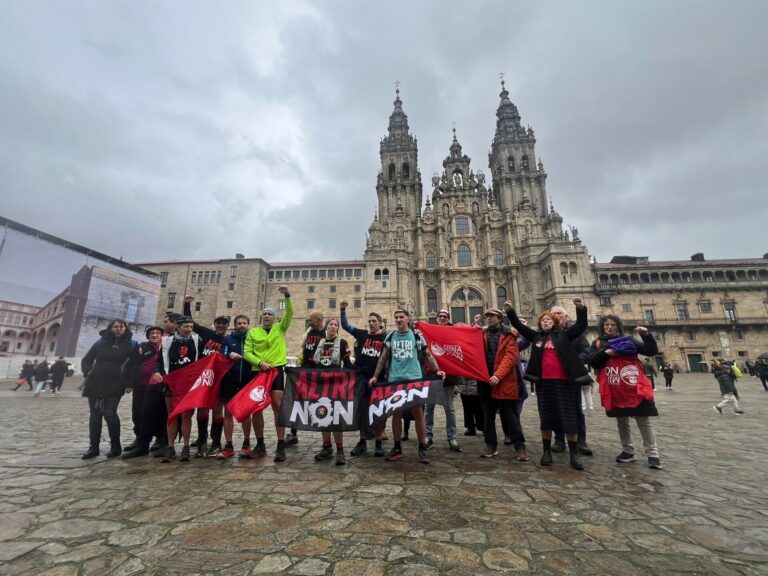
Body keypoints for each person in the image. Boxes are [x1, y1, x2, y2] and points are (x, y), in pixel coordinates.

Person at [505, 298, 590, 471]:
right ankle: (546, 452)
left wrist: (581, 309)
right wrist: (510, 311)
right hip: (544, 384)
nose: (545, 321)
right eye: (543, 320)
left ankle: (574, 454)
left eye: (549, 319)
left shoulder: (565, 336)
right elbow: (520, 328)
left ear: (556, 323)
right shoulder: (536, 337)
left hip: (565, 383)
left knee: (569, 417)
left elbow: (581, 326)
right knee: (546, 418)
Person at [368, 308, 445, 464]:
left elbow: (428, 354)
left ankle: (422, 447)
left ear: (408, 319)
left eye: (401, 317)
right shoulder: (390, 337)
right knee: (397, 413)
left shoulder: (416, 336)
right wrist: (375, 376)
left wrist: (437, 370)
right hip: (395, 379)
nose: (398, 319)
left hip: (414, 379)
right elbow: (383, 358)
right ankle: (397, 447)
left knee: (418, 412)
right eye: (396, 317)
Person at [588, 315, 663, 470]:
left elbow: (650, 350)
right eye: (606, 325)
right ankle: (628, 451)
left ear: (618, 326)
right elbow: (592, 361)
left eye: (613, 325)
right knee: (621, 420)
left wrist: (646, 335)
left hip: (633, 384)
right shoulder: (597, 343)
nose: (609, 327)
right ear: (602, 327)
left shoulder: (629, 340)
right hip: (614, 385)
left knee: (643, 419)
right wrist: (606, 353)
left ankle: (653, 454)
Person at [243, 286, 293, 462]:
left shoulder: (280, 328)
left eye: (269, 314)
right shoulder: (252, 332)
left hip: (276, 370)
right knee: (256, 408)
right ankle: (260, 444)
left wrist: (287, 296)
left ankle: (280, 445)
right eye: (264, 314)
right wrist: (259, 363)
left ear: (274, 317)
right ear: (261, 317)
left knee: (277, 406)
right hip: (258, 372)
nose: (266, 316)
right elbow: (247, 352)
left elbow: (290, 314)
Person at [80, 319, 139, 459]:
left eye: (121, 326)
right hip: (95, 382)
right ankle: (93, 447)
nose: (119, 329)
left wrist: (130, 382)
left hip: (115, 383)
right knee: (95, 416)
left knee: (109, 413)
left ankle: (115, 446)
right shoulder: (100, 342)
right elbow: (86, 360)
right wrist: (88, 371)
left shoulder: (132, 345)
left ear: (125, 328)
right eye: (115, 326)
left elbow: (134, 366)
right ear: (111, 328)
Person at [478, 307, 528, 461]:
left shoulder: (509, 335)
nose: (489, 318)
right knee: (488, 416)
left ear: (500, 318)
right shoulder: (481, 334)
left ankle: (520, 446)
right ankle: (490, 445)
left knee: (510, 416)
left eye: (492, 316)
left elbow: (510, 357)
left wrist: (498, 376)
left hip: (504, 382)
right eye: (487, 316)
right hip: (485, 381)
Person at [183, 296, 230, 457]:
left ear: (227, 326)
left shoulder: (228, 340)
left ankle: (216, 442)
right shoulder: (207, 333)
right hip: (203, 379)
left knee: (218, 411)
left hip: (220, 380)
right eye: (218, 322)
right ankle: (202, 441)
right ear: (215, 324)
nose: (220, 325)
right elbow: (191, 323)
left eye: (224, 323)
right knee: (202, 411)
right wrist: (187, 304)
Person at [340, 301, 387, 457]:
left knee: (378, 412)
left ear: (381, 324)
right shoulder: (362, 334)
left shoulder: (386, 339)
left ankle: (379, 442)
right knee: (362, 411)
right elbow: (346, 326)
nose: (371, 323)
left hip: (378, 380)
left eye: (374, 321)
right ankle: (362, 442)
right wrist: (342, 310)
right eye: (370, 321)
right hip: (361, 379)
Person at [153, 316, 201, 463]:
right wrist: (156, 371)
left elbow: (202, 359)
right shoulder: (167, 341)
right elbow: (160, 361)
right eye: (186, 327)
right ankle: (171, 447)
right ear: (178, 327)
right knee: (172, 415)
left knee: (186, 416)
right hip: (171, 382)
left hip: (188, 383)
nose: (189, 329)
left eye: (191, 327)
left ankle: (186, 446)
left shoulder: (197, 340)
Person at [549, 305, 593, 456]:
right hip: (553, 378)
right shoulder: (547, 334)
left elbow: (587, 351)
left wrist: (571, 362)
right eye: (554, 314)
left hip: (571, 378)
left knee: (576, 410)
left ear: (566, 317)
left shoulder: (577, 334)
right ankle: (559, 440)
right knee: (555, 410)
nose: (557, 316)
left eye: (560, 313)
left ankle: (581, 441)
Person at [218, 315, 260, 459]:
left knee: (246, 412)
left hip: (247, 380)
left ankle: (246, 444)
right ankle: (228, 445)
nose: (242, 325)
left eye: (244, 323)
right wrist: (229, 354)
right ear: (235, 325)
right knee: (228, 413)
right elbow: (221, 354)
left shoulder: (252, 339)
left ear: (248, 324)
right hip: (229, 380)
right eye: (239, 323)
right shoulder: (227, 339)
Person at [312, 318, 354, 465]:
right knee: (322, 414)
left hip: (335, 384)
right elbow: (312, 363)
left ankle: (340, 450)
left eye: (336, 325)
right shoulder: (320, 342)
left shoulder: (342, 343)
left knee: (336, 418)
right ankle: (326, 447)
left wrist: (359, 373)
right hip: (321, 384)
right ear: (326, 327)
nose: (333, 326)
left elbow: (348, 363)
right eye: (331, 324)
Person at [122, 327, 167, 459]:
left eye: (157, 333)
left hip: (158, 387)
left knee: (157, 415)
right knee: (138, 413)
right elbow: (133, 364)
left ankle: (159, 441)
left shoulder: (166, 347)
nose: (154, 335)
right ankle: (140, 440)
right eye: (152, 333)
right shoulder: (142, 348)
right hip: (141, 385)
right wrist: (130, 383)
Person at [423, 309, 462, 452]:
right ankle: (427, 436)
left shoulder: (454, 331)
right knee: (429, 408)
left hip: (449, 376)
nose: (442, 318)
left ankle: (452, 437)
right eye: (440, 316)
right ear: (436, 318)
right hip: (432, 376)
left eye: (445, 316)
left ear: (448, 318)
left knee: (449, 409)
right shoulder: (430, 331)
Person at [292, 309, 326, 448]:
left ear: (318, 320)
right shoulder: (308, 332)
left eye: (311, 319)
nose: (308, 321)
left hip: (317, 372)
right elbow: (303, 349)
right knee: (297, 401)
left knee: (323, 402)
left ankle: (326, 439)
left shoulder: (325, 334)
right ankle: (293, 433)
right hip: (304, 370)